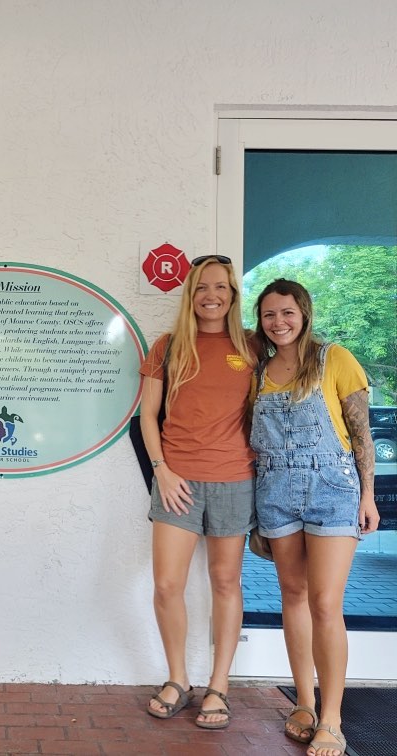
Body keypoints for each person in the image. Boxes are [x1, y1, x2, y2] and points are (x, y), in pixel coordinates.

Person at [250, 279, 379, 756]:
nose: (278, 322)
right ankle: (303, 702)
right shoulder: (258, 369)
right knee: (294, 596)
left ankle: (332, 718)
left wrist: (368, 496)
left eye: (287, 312)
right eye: (268, 315)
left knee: (326, 603)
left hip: (333, 488)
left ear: (304, 313)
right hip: (276, 490)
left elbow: (361, 435)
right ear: (260, 322)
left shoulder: (335, 359)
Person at [139, 255, 256, 729]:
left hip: (234, 480)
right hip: (177, 482)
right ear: (191, 294)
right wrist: (162, 470)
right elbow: (148, 416)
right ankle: (178, 679)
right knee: (167, 584)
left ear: (232, 295)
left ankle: (219, 686)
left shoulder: (252, 346)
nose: (212, 295)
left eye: (222, 288)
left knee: (226, 583)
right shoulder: (168, 346)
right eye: (203, 287)